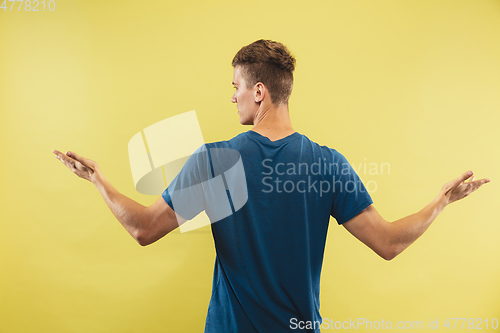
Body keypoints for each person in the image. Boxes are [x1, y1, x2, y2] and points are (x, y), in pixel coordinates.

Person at [53, 39, 490, 332]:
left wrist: (97, 180)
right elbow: (389, 243)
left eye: (236, 87)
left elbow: (144, 229)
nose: (233, 97)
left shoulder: (214, 160)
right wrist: (441, 202)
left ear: (259, 91)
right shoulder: (327, 164)